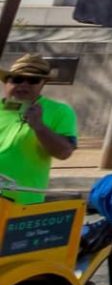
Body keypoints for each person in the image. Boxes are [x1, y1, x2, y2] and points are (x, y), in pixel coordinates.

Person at [0, 56, 76, 203]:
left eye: (33, 80)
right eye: (17, 79)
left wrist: (39, 127)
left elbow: (64, 153)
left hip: (24, 203)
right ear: (6, 81)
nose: (24, 85)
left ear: (43, 84)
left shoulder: (60, 111)